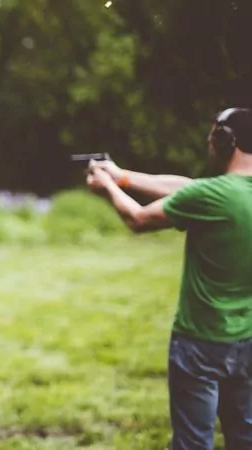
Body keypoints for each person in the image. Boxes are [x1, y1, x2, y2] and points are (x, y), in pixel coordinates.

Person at [86, 107, 252, 449]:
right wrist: (122, 176)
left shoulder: (213, 196)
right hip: (248, 339)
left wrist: (106, 186)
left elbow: (137, 218)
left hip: (200, 341)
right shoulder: (223, 194)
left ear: (224, 141)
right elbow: (189, 187)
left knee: (193, 441)